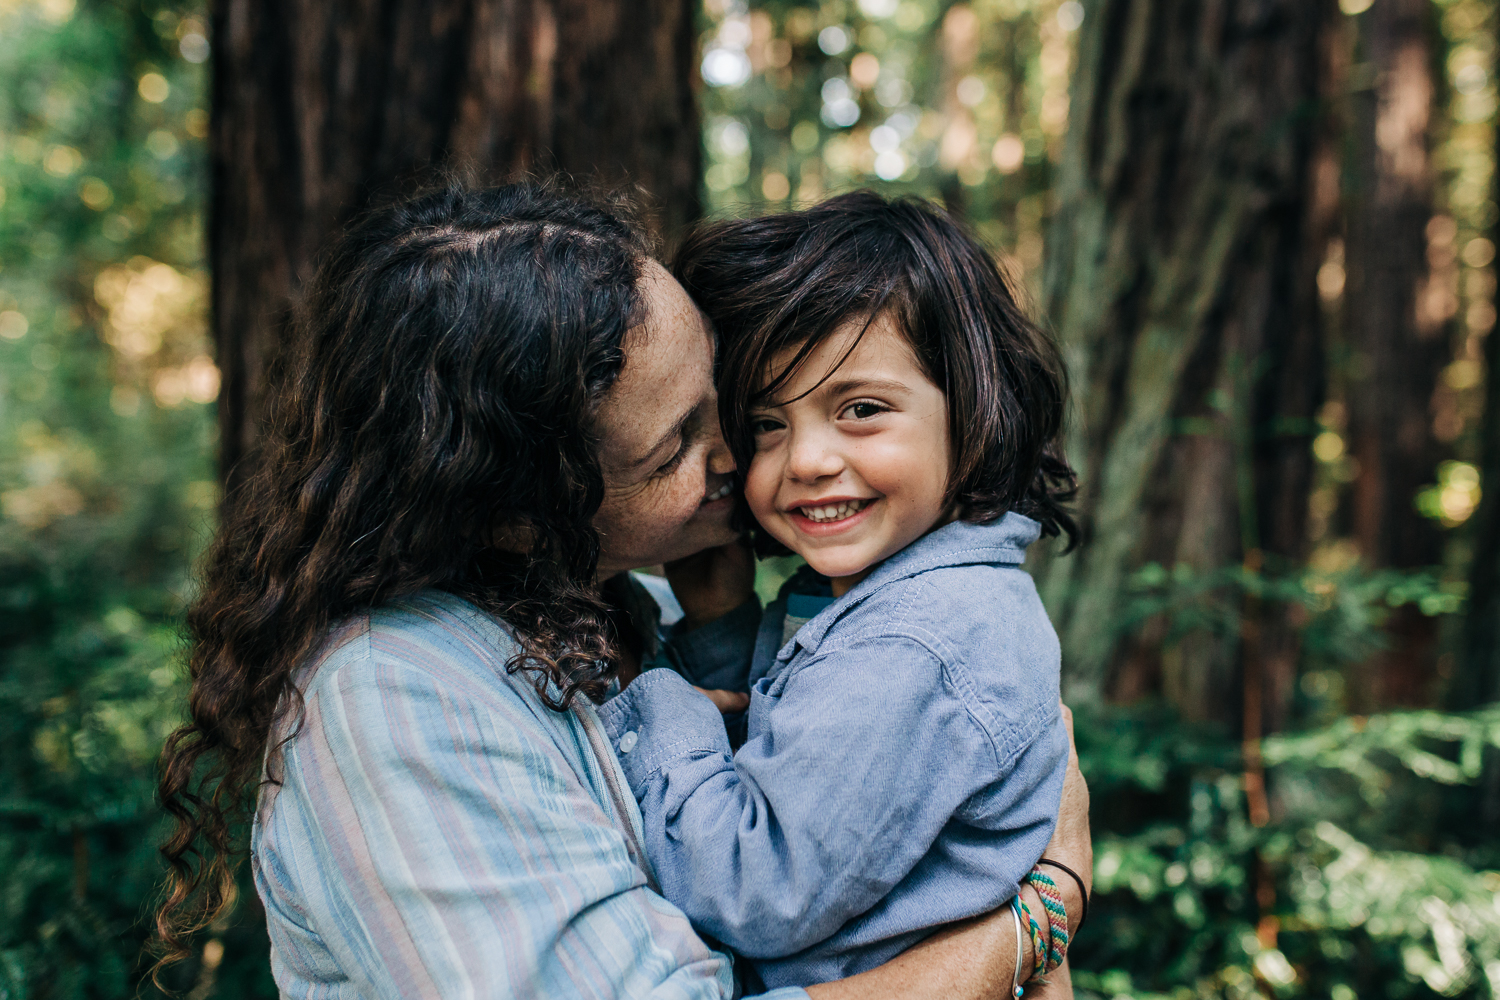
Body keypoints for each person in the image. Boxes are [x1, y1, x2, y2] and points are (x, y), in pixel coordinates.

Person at [153, 181, 1092, 999]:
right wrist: (1032, 921)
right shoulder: (397, 705)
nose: (746, 459)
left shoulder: (653, 606)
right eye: (684, 441)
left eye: (718, 401)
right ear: (522, 504)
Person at [601, 193, 1081, 991]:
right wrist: (724, 621)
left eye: (860, 409)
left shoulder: (915, 643)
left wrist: (653, 702)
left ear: (974, 408)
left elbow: (752, 888)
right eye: (767, 423)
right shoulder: (880, 594)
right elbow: (795, 743)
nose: (808, 461)